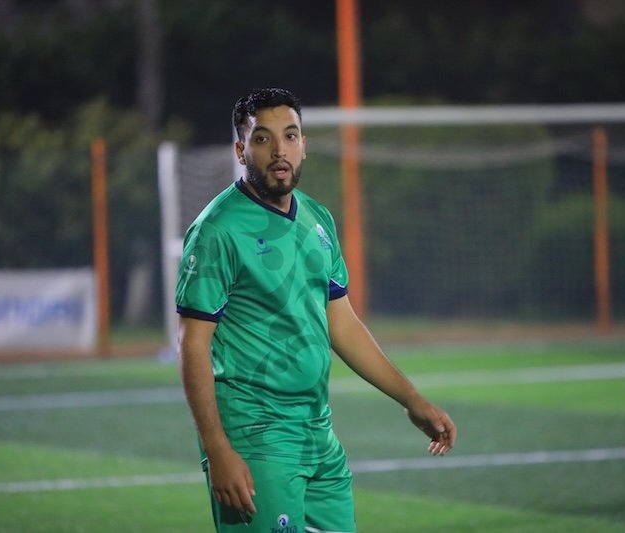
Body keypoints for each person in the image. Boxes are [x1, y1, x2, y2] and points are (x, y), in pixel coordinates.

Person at [176, 87, 456, 533]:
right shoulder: (217, 230)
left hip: (317, 434)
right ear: (240, 150)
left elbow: (342, 324)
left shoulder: (317, 218)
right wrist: (217, 449)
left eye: (290, 136)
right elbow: (193, 345)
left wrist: (412, 400)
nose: (279, 150)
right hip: (254, 436)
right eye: (263, 138)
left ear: (303, 144)